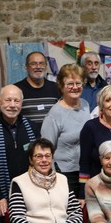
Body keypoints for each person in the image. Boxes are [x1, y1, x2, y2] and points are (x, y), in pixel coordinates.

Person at [0, 85, 38, 216]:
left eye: (16, 101)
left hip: (33, 193)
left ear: (21, 103)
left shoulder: (33, 128)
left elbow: (40, 162)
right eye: (8, 100)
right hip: (3, 197)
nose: (12, 105)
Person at [41, 64, 91, 198]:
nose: (75, 87)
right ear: (61, 86)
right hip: (65, 174)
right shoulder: (54, 114)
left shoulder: (85, 105)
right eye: (70, 84)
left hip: (86, 170)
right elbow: (46, 149)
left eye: (78, 83)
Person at [14, 51, 60, 130]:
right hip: (27, 136)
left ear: (46, 66)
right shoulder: (16, 89)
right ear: (26, 66)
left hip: (52, 136)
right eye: (33, 63)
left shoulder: (56, 88)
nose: (38, 67)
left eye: (41, 63)